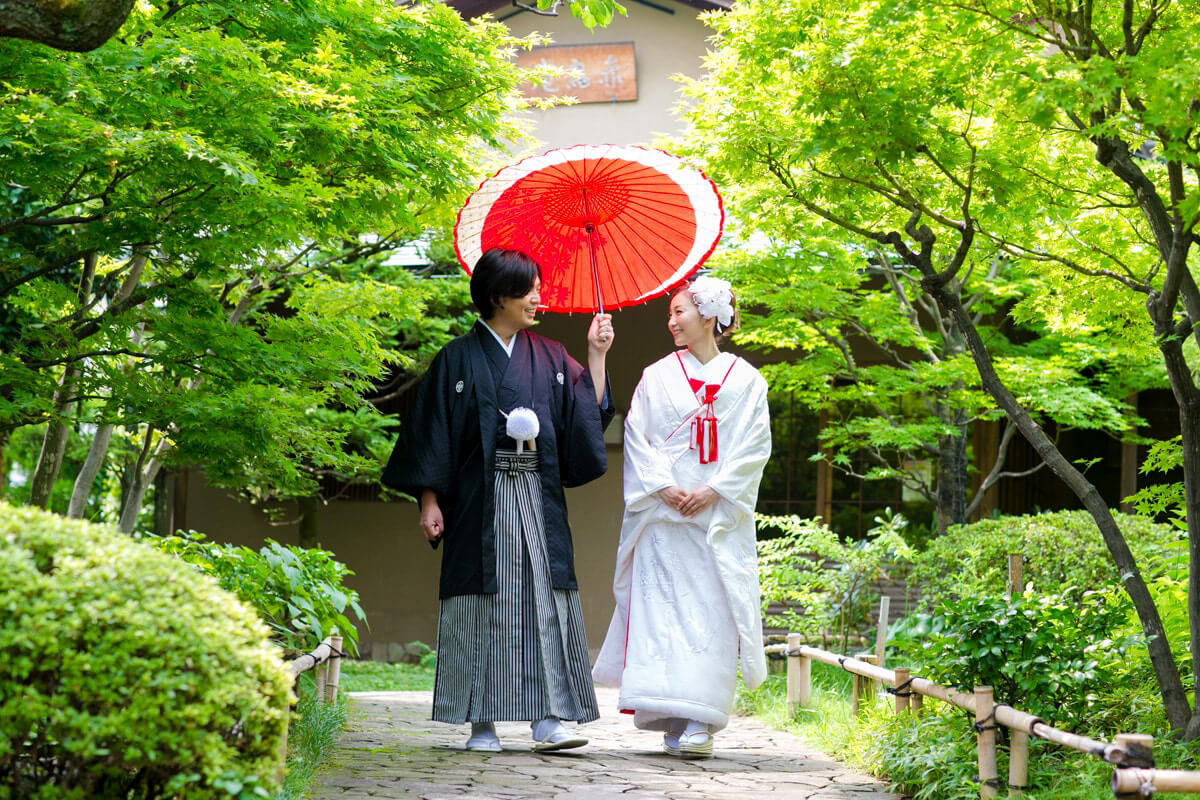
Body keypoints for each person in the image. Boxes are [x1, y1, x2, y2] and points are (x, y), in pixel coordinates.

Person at [383, 247, 615, 752]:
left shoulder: (554, 356)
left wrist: (595, 355)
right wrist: (429, 501)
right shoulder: (456, 359)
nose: (538, 297)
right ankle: (481, 719)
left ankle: (548, 719)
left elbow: (584, 424)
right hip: (475, 504)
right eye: (528, 289)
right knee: (480, 602)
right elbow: (433, 437)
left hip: (538, 499)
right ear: (496, 296)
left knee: (543, 602)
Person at [592, 275, 771, 759]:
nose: (671, 321)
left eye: (679, 311)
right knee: (664, 615)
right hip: (665, 517)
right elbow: (637, 436)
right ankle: (673, 713)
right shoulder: (656, 376)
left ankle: (703, 719)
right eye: (670, 313)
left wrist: (713, 489)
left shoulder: (748, 380)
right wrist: (665, 488)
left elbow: (755, 448)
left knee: (711, 614)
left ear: (709, 315)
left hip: (715, 521)